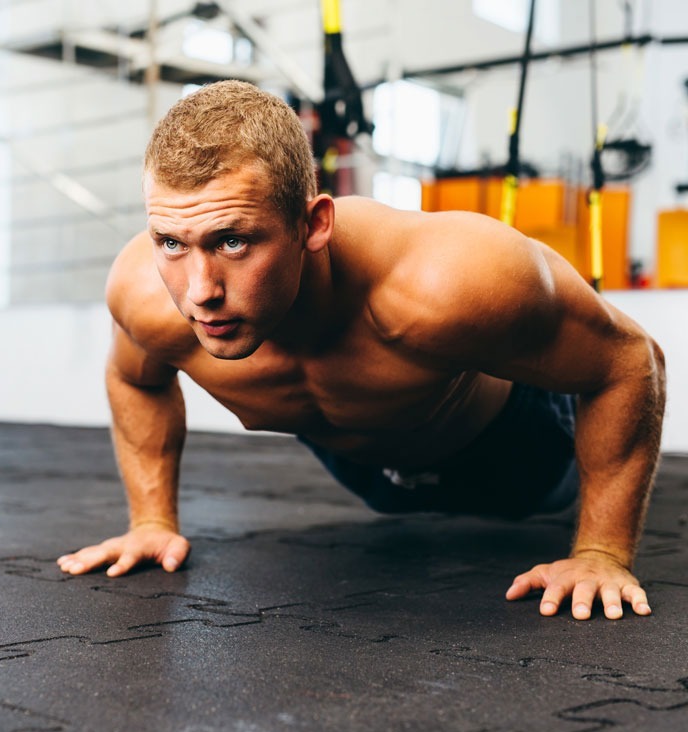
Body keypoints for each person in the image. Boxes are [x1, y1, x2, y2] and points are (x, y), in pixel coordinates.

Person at [56, 80, 666, 621]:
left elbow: (631, 361)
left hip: (517, 456)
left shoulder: (445, 281)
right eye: (170, 241)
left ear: (314, 223)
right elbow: (137, 379)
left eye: (234, 241)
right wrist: (152, 520)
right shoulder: (144, 295)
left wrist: (601, 552)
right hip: (370, 475)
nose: (200, 291)